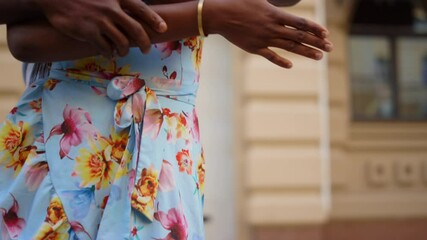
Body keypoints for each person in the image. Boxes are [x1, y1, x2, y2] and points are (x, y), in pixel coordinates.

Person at [0, 0, 333, 239]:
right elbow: (26, 38)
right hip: (57, 146)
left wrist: (210, 15)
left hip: (164, 156)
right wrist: (207, 14)